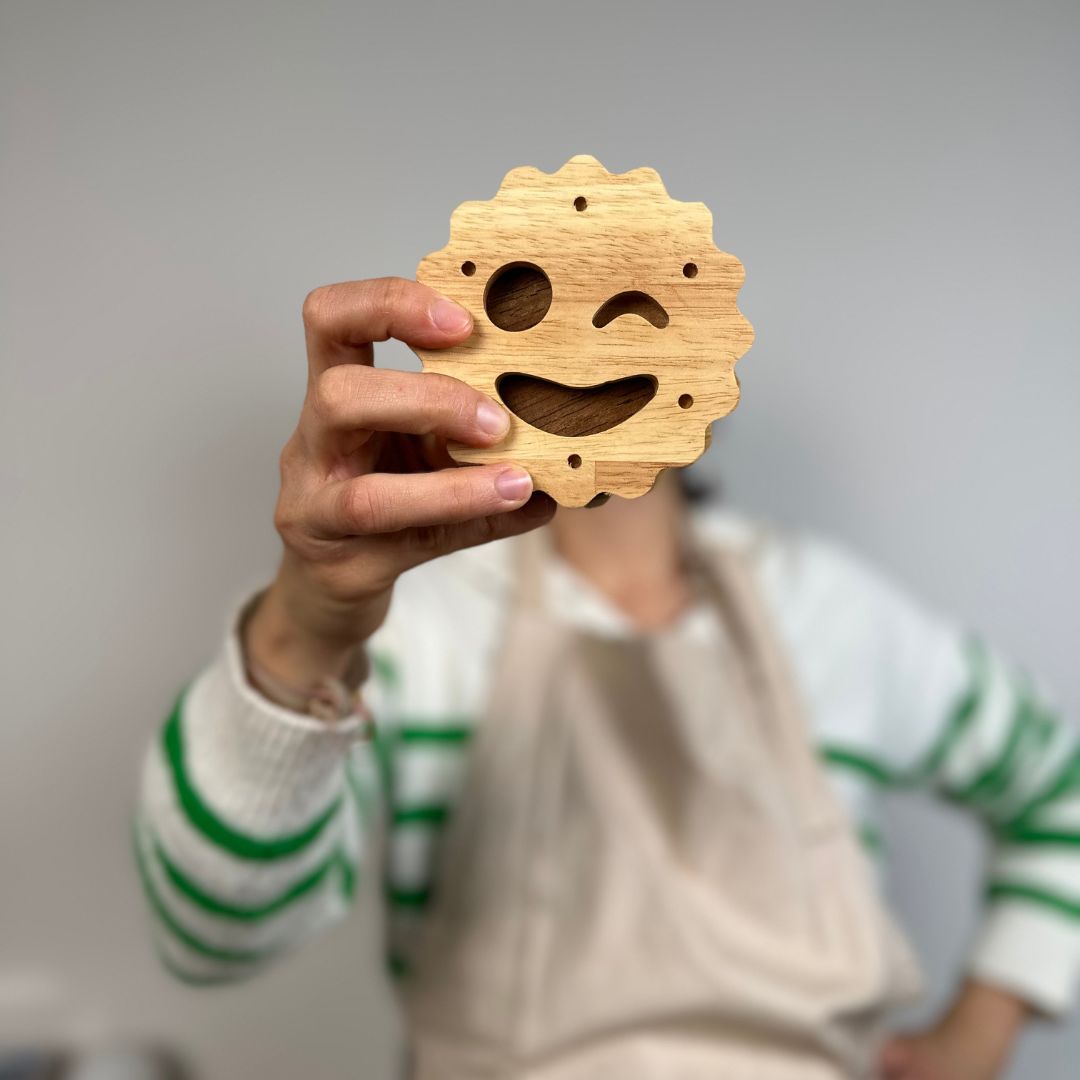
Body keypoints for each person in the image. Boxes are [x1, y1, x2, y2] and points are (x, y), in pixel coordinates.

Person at [134, 278, 1080, 1079]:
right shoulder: (415, 631)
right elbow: (211, 935)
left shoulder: (830, 613)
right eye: (538, 317)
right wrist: (304, 629)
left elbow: (1058, 789)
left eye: (629, 318)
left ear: (708, 372)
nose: (584, 358)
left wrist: (983, 1027)